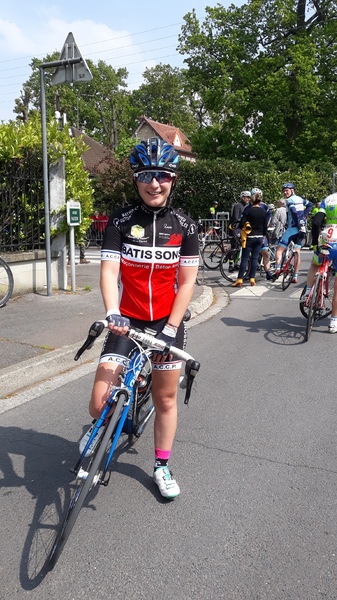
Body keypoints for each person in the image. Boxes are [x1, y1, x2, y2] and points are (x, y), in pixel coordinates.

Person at [79, 138, 199, 499]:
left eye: (162, 175)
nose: (154, 183)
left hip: (167, 324)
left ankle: (162, 465)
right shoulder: (119, 221)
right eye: (146, 175)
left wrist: (171, 328)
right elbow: (108, 271)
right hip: (126, 321)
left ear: (173, 179)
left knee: (165, 400)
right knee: (98, 402)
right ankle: (100, 423)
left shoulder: (185, 226)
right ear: (136, 179)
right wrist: (113, 312)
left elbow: (188, 282)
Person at [303, 192, 337, 333]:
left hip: (326, 239)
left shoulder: (328, 199)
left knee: (315, 265)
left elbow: (316, 222)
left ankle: (309, 291)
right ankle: (333, 322)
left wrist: (315, 244)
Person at [274, 183, 313, 283]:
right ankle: (295, 276)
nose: (285, 192)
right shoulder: (301, 199)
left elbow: (294, 212)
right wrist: (304, 216)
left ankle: (278, 268)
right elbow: (310, 205)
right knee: (297, 252)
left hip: (292, 228)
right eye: (284, 191)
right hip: (302, 229)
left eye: (287, 190)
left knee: (279, 249)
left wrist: (297, 222)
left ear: (293, 190)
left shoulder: (290, 200)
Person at [231, 190, 269, 287]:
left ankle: (240, 279)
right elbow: (265, 226)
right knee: (255, 258)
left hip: (249, 237)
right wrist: (264, 236)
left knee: (244, 259)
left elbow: (242, 223)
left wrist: (238, 228)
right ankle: (252, 279)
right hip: (260, 237)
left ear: (252, 200)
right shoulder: (264, 211)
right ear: (260, 201)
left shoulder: (248, 210)